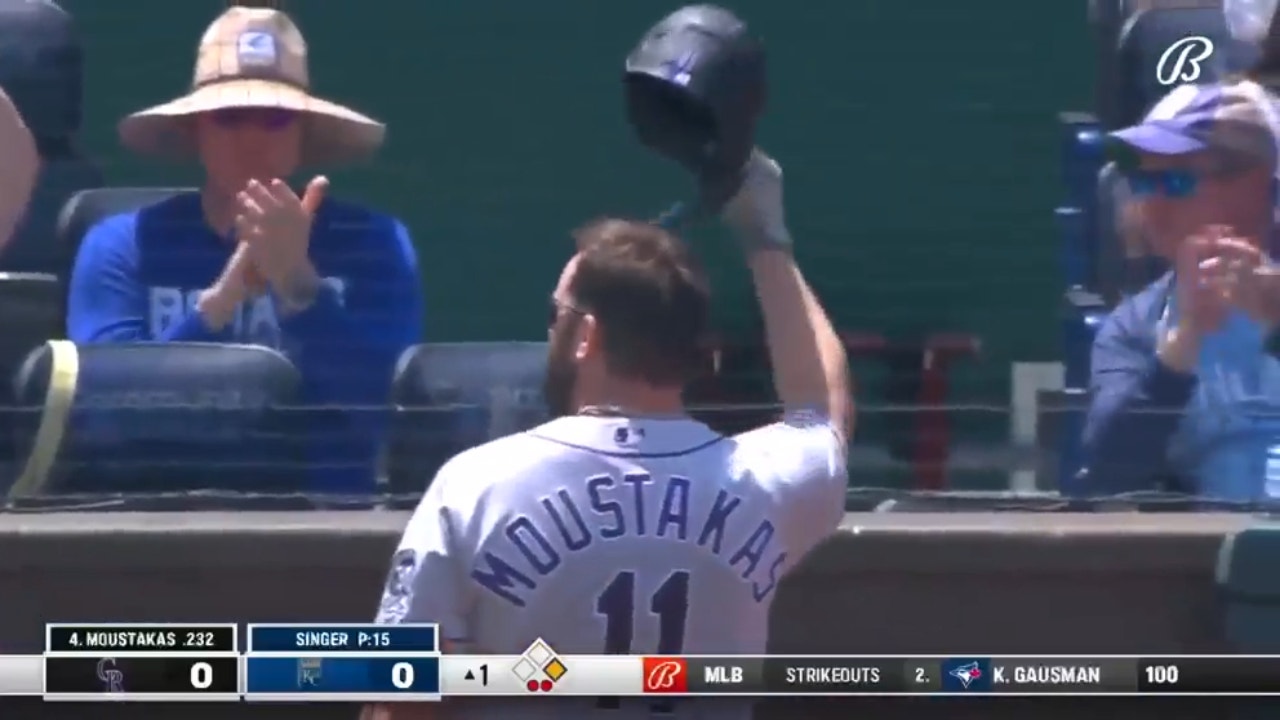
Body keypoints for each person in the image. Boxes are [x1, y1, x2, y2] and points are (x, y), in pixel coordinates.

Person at [363, 150, 850, 720]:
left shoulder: (476, 485)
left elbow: (401, 698)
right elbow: (823, 413)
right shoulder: (760, 484)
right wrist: (767, 240)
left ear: (585, 337)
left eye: (557, 314)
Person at [64, 6, 422, 492]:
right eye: (229, 117)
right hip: (154, 511)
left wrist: (300, 288)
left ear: (303, 133)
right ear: (195, 130)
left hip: (327, 517)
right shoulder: (122, 245)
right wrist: (218, 304)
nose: (252, 138)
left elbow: (388, 407)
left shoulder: (374, 243)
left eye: (275, 118)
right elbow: (105, 415)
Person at [1080, 78, 1280, 500]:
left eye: (1175, 181)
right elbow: (1107, 476)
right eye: (1143, 182)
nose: (1150, 204)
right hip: (1215, 537)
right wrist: (1184, 341)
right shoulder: (1138, 324)